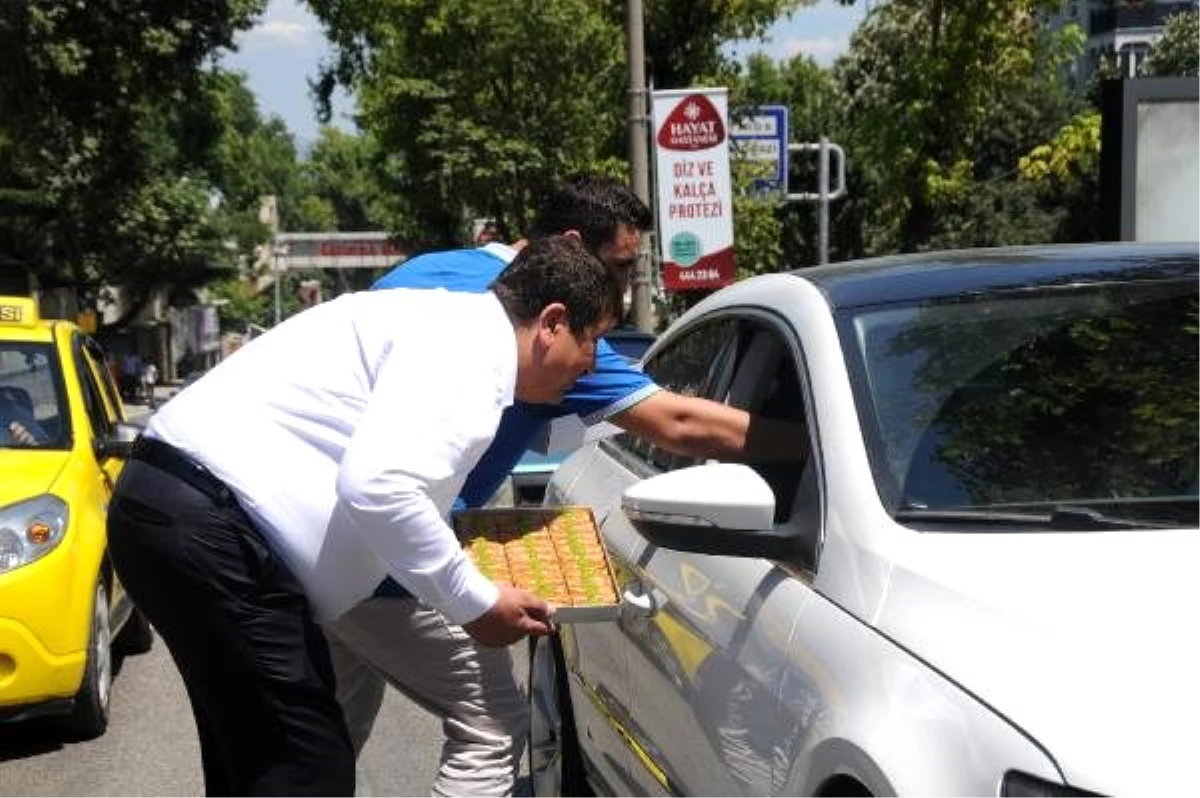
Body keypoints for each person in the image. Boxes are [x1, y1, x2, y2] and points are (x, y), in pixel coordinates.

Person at [324, 175, 807, 796]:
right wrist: (819, 443)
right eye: (622, 266)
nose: (627, 287)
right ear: (575, 246)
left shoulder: (426, 271)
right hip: (402, 554)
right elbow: (680, 423)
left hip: (325, 544)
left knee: (324, 737)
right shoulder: (557, 329)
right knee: (492, 722)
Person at [105, 235, 623, 798]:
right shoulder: (473, 352)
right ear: (551, 322)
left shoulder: (446, 325)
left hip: (178, 515)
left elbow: (395, 497)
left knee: (260, 762)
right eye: (592, 339)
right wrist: (474, 603)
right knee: (308, 767)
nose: (591, 364)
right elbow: (380, 486)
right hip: (211, 528)